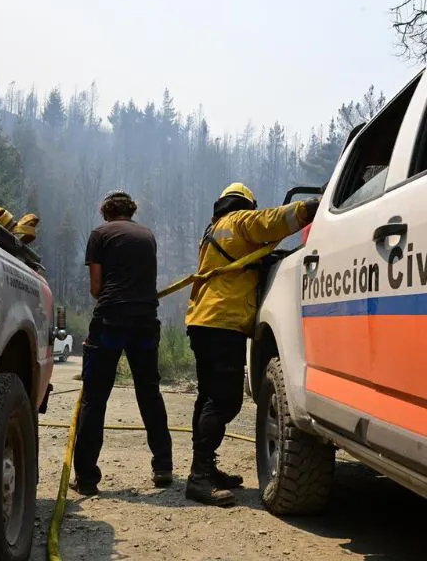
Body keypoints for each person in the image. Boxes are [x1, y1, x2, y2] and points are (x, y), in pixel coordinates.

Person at [184, 182, 319, 507]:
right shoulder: (240, 221)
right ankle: (199, 479)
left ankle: (204, 469)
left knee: (207, 398)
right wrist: (311, 207)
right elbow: (272, 221)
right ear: (243, 204)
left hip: (204, 321)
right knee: (225, 401)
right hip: (222, 323)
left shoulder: (214, 230)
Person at [71, 191, 173, 495]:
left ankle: (87, 479)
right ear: (131, 212)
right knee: (149, 392)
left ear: (104, 212)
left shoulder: (100, 234)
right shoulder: (147, 235)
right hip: (144, 320)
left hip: (111, 320)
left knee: (95, 397)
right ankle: (164, 466)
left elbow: (96, 288)